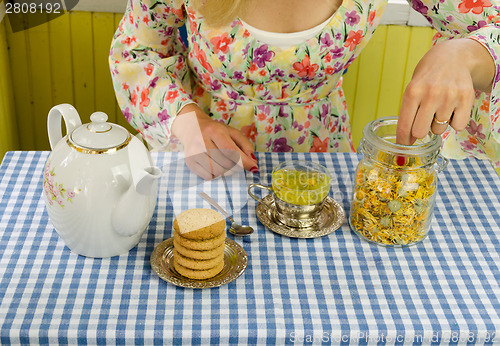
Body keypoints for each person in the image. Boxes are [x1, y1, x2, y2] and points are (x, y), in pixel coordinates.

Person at [109, 0, 499, 179]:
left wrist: (466, 52)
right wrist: (187, 120)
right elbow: (138, 52)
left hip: (323, 162)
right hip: (204, 162)